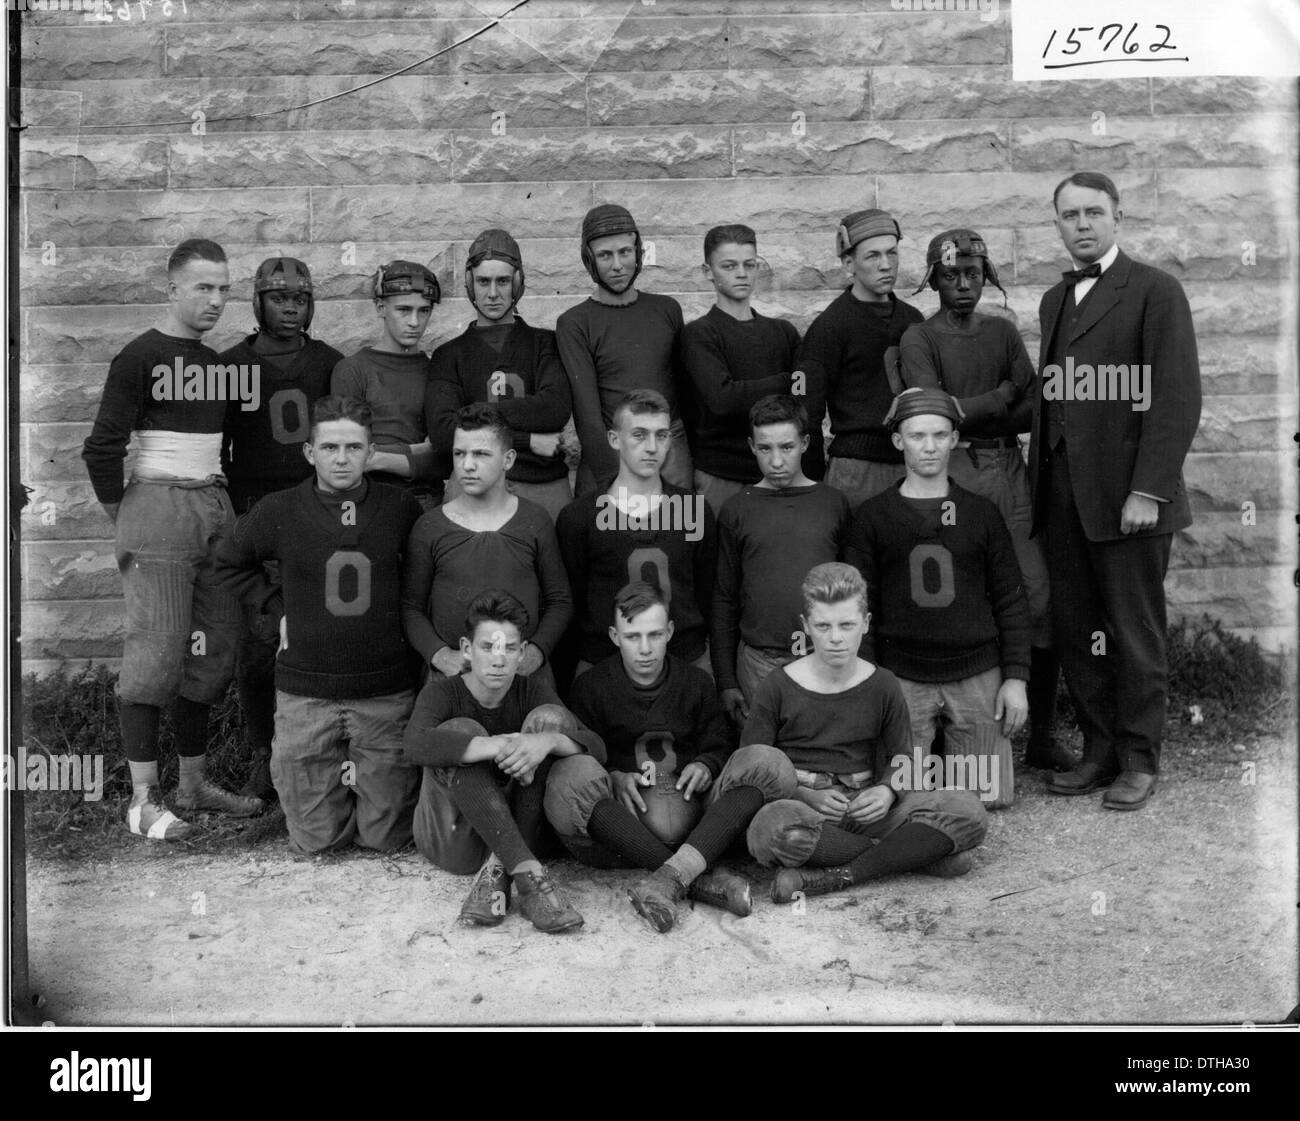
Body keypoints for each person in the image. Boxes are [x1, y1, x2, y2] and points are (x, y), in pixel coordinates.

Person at [1031, 171, 1202, 810]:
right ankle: (1100, 751)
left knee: (1134, 632)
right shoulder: (1055, 300)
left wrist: (1149, 491)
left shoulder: (1156, 291)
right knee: (1079, 632)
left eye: (1094, 213)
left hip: (1129, 500)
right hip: (1063, 498)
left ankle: (1139, 758)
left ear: (1118, 218)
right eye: (1070, 215)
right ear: (1058, 223)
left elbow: (1177, 398)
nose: (1082, 224)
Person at [82, 237, 261, 841]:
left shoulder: (214, 365)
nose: (215, 300)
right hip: (158, 506)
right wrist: (125, 514)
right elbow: (101, 445)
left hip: (214, 505)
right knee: (157, 650)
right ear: (172, 288)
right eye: (203, 287)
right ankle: (141, 799)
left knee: (212, 650)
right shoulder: (139, 357)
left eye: (224, 289)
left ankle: (193, 784)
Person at [213, 395, 424, 854]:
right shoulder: (279, 510)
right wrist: (278, 608)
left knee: (385, 839)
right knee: (316, 842)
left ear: (370, 453)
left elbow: (422, 579)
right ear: (310, 453)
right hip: (305, 691)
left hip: (383, 690)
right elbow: (227, 562)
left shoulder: (400, 509)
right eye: (330, 448)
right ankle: (332, 799)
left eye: (353, 448)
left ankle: (366, 797)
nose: (342, 458)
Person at [900, 229, 1064, 770]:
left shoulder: (1002, 331)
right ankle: (954, 735)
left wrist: (981, 406)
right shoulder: (919, 339)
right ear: (933, 280)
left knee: (1037, 594)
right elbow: (933, 412)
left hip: (1009, 469)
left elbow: (1033, 407)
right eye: (951, 275)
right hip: (956, 467)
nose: (963, 284)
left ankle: (1040, 734)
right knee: (964, 593)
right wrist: (998, 396)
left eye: (972, 274)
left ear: (986, 275)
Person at [742, 563, 988, 903]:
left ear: (866, 624)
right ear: (806, 627)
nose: (836, 638)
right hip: (803, 808)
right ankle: (910, 857)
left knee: (968, 809)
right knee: (769, 830)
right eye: (823, 626)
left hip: (864, 806)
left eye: (847, 625)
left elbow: (903, 758)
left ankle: (840, 875)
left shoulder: (883, 684)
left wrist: (887, 791)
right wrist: (803, 795)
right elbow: (753, 768)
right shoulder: (778, 686)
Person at [547, 582, 774, 933]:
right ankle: (696, 879)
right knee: (569, 772)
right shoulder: (591, 687)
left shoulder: (696, 683)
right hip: (620, 835)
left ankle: (672, 875)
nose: (645, 648)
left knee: (766, 762)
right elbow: (586, 753)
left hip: (697, 823)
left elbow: (722, 745)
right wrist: (613, 776)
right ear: (614, 635)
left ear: (669, 631)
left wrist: (707, 764)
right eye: (632, 636)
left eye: (654, 635)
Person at [844, 387, 1030, 765]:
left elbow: (1011, 600)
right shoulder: (872, 517)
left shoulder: (982, 514)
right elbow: (860, 607)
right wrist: (866, 679)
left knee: (986, 798)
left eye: (940, 435)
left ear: (955, 440)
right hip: (902, 673)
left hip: (976, 668)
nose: (929, 447)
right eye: (917, 436)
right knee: (902, 795)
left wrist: (1015, 678)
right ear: (898, 440)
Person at [403, 590, 603, 934]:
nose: (498, 659)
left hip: (512, 831)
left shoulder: (530, 691)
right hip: (455, 840)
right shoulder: (442, 692)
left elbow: (596, 746)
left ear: (522, 652)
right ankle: (525, 873)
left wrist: (544, 742)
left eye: (508, 648)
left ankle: (508, 869)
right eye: (487, 647)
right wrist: (491, 745)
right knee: (464, 731)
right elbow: (414, 744)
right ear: (467, 648)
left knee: (546, 722)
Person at [218, 256, 343, 800]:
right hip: (256, 520)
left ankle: (324, 754)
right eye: (278, 298)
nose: (290, 307)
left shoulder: (329, 363)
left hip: (313, 518)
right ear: (258, 302)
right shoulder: (230, 366)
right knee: (259, 646)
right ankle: (263, 753)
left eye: (298, 299)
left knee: (323, 636)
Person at [401, 404, 571, 688]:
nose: (467, 465)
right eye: (459, 453)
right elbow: (410, 607)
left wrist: (537, 652)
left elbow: (560, 600)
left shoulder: (535, 520)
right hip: (452, 682)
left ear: (508, 459)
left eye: (481, 454)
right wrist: (441, 656)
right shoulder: (430, 527)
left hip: (523, 679)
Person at [711, 394, 851, 727]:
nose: (776, 461)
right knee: (765, 758)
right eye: (764, 449)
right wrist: (726, 679)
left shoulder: (833, 504)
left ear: (804, 443)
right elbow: (724, 598)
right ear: (751, 445)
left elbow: (854, 593)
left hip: (825, 657)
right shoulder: (737, 509)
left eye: (786, 447)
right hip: (761, 661)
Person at [556, 389, 717, 677]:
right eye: (640, 435)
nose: (652, 447)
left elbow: (708, 595)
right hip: (603, 666)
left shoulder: (694, 510)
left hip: (685, 662)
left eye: (662, 435)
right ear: (615, 440)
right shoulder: (580, 516)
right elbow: (572, 604)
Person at [425, 229, 573, 521]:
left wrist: (474, 413)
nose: (492, 293)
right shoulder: (447, 355)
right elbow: (443, 433)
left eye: (502, 281)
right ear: (470, 283)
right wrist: (528, 440)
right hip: (472, 486)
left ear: (517, 282)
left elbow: (554, 409)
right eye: (483, 281)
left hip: (542, 484)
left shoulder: (545, 343)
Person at [556, 204, 691, 494]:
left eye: (625, 252)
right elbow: (587, 415)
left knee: (678, 535)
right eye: (605, 255)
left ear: (637, 252)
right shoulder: (575, 323)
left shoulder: (667, 310)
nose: (617, 265)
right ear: (589, 259)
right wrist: (614, 482)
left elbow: (684, 396)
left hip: (671, 459)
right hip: (607, 459)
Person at [794, 208, 925, 507]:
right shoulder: (830, 326)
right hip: (855, 471)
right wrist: (813, 486)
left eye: (892, 254)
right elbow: (807, 415)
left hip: (911, 465)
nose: (885, 265)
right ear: (849, 264)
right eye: (873, 256)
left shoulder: (912, 319)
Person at [679, 224, 811, 513]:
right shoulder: (700, 334)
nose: (741, 273)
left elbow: (804, 389)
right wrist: (784, 381)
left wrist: (790, 385)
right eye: (729, 265)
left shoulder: (783, 332)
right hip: (722, 476)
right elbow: (723, 400)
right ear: (707, 271)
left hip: (781, 472)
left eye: (749, 264)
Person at [331, 259, 442, 509]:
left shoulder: (438, 369)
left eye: (423, 311)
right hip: (370, 500)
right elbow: (350, 455)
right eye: (403, 310)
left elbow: (444, 457)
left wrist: (379, 455)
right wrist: (414, 451)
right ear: (381, 307)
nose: (414, 322)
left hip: (429, 500)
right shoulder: (353, 370)